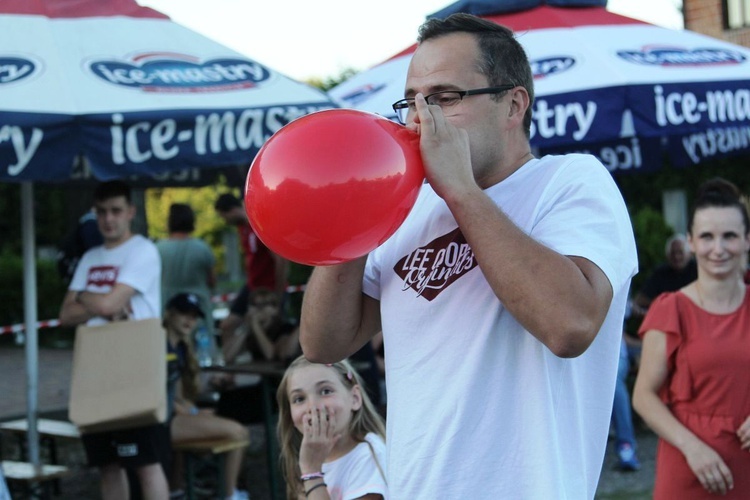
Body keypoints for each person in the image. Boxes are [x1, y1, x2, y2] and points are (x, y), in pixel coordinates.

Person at [299, 13, 637, 498]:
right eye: (411, 101)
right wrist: (354, 221)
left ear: (512, 104)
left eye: (444, 98)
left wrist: (459, 189)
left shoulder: (570, 181)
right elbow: (324, 344)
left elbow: (570, 325)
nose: (420, 119)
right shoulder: (405, 209)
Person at [632, 178, 750, 499]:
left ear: (747, 240)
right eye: (707, 237)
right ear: (691, 242)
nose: (718, 248)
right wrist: (692, 449)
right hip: (689, 463)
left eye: (729, 236)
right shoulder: (671, 309)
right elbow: (643, 395)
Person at [59, 180, 170, 500]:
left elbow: (105, 305)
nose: (109, 219)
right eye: (102, 212)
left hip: (135, 365)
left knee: (146, 461)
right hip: (96, 367)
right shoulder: (91, 256)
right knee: (107, 464)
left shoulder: (143, 250)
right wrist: (98, 300)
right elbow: (67, 313)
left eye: (116, 211)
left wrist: (83, 294)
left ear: (131, 212)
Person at [164, 293, 249, 500]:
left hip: (175, 416)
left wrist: (195, 410)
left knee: (228, 422)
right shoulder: (159, 345)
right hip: (163, 422)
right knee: (239, 432)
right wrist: (193, 412)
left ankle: (178, 490)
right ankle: (229, 495)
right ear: (169, 315)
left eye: (194, 316)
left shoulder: (180, 347)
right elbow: (162, 397)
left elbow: (178, 395)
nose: (189, 320)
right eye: (184, 313)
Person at [276, 356, 388, 500]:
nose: (313, 407)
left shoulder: (368, 456)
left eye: (326, 391)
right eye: (299, 399)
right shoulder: (309, 458)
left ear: (354, 398)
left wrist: (311, 473)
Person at [214, 193, 288, 349]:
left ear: (232, 210)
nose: (225, 221)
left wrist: (278, 294)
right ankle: (229, 373)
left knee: (270, 333)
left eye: (223, 216)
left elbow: (280, 259)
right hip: (252, 286)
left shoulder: (261, 225)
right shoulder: (243, 228)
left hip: (268, 289)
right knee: (226, 325)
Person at [156, 203, 216, 339]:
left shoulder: (158, 249)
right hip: (198, 308)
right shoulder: (202, 248)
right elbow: (212, 280)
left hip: (168, 308)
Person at [631, 233, 697, 317]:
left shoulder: (699, 271)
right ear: (668, 255)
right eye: (673, 253)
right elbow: (640, 300)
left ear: (689, 254)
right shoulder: (661, 273)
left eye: (680, 252)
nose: (676, 256)